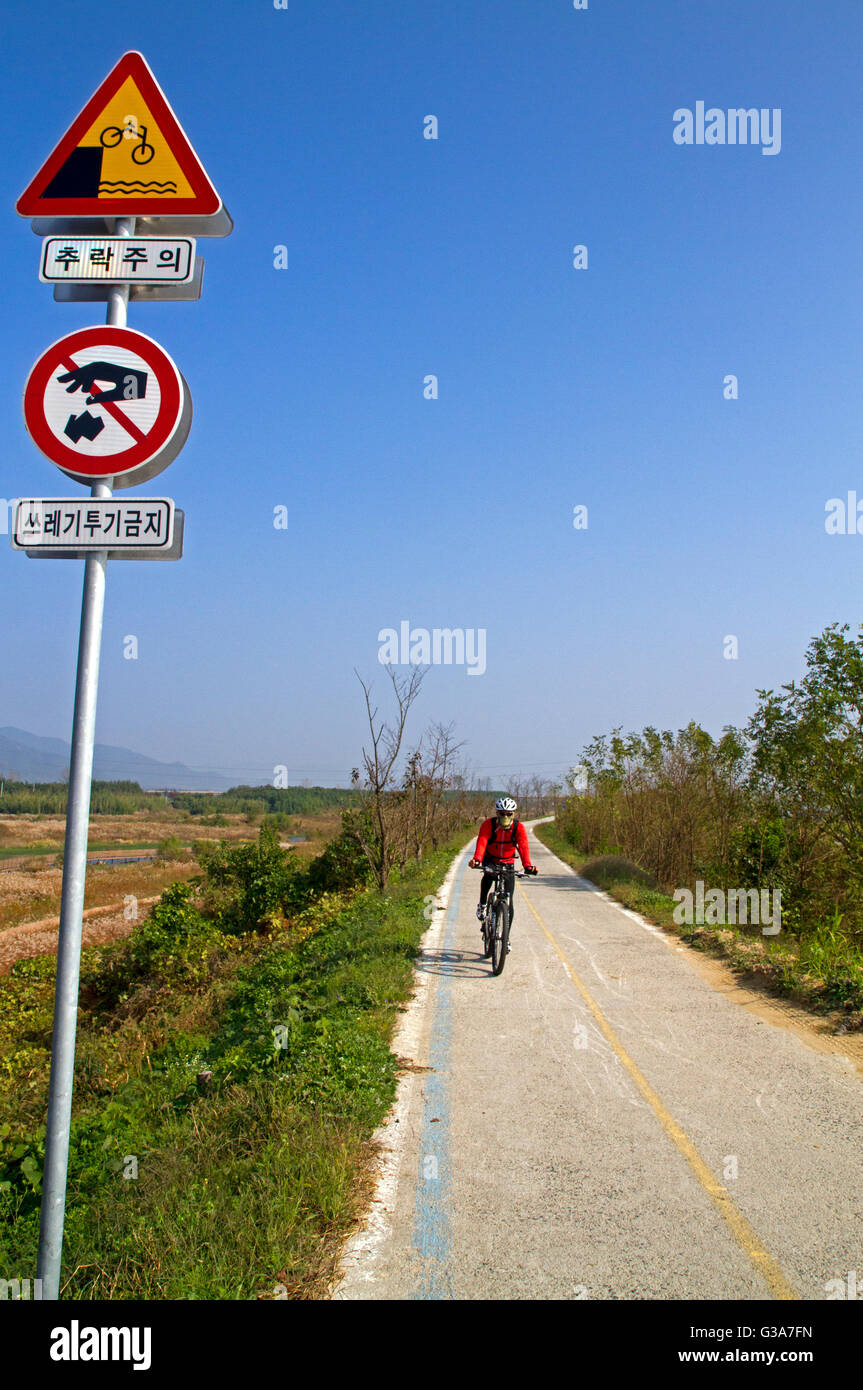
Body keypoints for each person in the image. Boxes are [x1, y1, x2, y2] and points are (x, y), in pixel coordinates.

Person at [469, 797, 538, 940]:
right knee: (488, 875)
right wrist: (477, 860)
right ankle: (482, 904)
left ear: (514, 814)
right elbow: (482, 842)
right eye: (502, 814)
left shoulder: (518, 827)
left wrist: (528, 866)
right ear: (497, 813)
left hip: (508, 862)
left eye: (509, 814)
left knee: (509, 901)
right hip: (491, 858)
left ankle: (505, 939)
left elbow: (523, 847)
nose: (505, 817)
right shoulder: (489, 824)